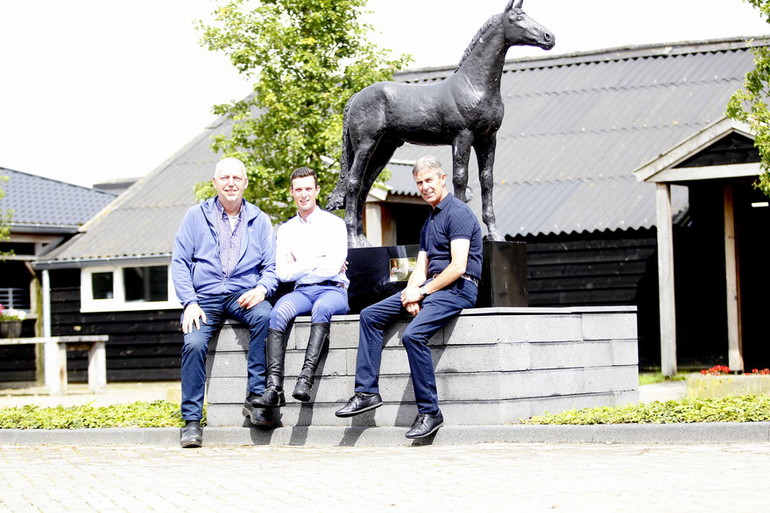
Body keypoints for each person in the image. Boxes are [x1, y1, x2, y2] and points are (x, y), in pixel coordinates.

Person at [335, 156, 483, 439]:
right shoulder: (429, 222)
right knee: (369, 315)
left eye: (429, 180)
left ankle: (430, 412)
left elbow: (458, 266)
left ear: (443, 179)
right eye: (419, 183)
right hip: (434, 287)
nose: (425, 187)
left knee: (413, 336)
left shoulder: (459, 213)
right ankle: (366, 393)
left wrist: (423, 291)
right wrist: (410, 293)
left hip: (459, 288)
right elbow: (420, 269)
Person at [171, 157, 278, 448]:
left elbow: (272, 266)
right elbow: (179, 262)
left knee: (266, 317)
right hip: (203, 298)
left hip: (242, 295)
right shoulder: (195, 216)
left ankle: (255, 398)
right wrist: (189, 302)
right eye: (225, 178)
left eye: (236, 178)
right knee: (193, 344)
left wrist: (263, 288)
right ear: (215, 183)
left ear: (245, 183)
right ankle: (192, 422)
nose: (231, 183)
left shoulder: (260, 218)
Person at [254, 167, 349, 407]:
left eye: (308, 188)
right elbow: (284, 273)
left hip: (332, 289)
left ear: (317, 190)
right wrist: (319, 259)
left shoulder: (334, 224)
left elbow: (333, 268)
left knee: (322, 309)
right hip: (303, 291)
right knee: (277, 312)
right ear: (291, 193)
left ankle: (305, 379)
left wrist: (302, 263)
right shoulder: (286, 230)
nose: (304, 194)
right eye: (298, 190)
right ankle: (274, 387)